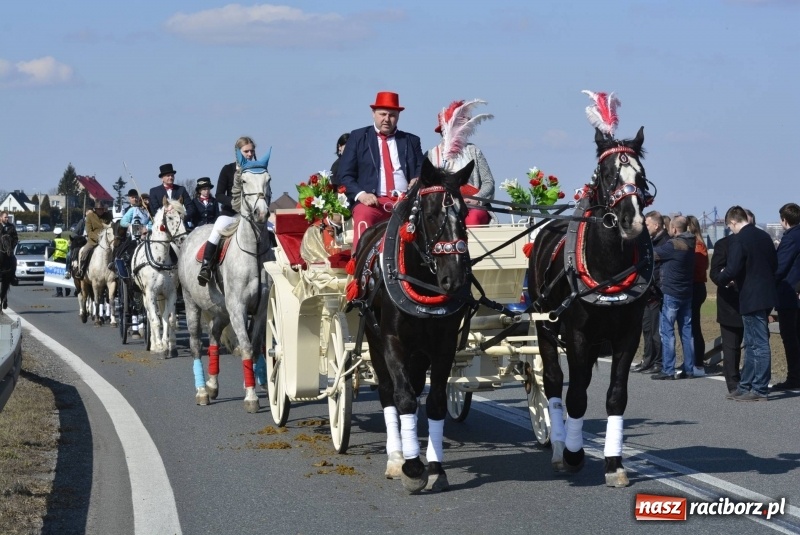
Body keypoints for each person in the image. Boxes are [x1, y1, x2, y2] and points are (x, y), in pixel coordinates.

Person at [336, 91, 423, 253]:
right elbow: (345, 174)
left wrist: (417, 178)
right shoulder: (358, 137)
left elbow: (421, 167)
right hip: (373, 202)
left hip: (406, 202)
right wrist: (361, 195)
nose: (386, 119)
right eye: (382, 114)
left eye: (392, 115)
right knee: (363, 214)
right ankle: (360, 268)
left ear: (398, 117)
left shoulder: (411, 141)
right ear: (373, 114)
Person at [717, 205, 778, 401]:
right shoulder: (764, 237)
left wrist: (722, 278)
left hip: (750, 295)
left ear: (733, 222)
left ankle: (759, 388)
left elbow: (733, 268)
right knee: (752, 343)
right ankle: (746, 385)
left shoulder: (739, 240)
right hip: (766, 293)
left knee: (757, 344)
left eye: (729, 226)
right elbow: (774, 264)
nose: (730, 230)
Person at [198, 136, 259, 286]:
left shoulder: (258, 170)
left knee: (270, 231)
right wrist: (234, 203)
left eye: (251, 151)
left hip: (252, 215)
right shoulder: (227, 169)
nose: (250, 154)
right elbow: (219, 194)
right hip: (231, 213)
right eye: (246, 151)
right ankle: (206, 267)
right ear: (238, 152)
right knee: (216, 231)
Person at [426, 99, 495, 226]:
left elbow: (488, 182)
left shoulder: (474, 151)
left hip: (473, 207)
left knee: (472, 219)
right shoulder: (431, 155)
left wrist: (477, 199)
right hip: (442, 206)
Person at [651, 216, 697, 380]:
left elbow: (652, 254)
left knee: (667, 332)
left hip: (671, 292)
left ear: (675, 229)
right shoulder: (692, 243)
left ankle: (668, 369)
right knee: (687, 331)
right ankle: (689, 368)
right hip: (687, 292)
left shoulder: (673, 245)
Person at [633, 211, 668, 374]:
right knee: (647, 328)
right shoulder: (651, 241)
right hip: (647, 291)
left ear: (656, 225)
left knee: (656, 331)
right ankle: (647, 359)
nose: (645, 227)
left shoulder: (665, 242)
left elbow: (659, 268)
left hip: (657, 292)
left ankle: (658, 361)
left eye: (647, 224)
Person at [710, 231, 744, 394]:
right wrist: (723, 279)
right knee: (731, 345)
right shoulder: (723, 244)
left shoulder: (756, 241)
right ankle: (733, 382)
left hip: (751, 299)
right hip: (729, 300)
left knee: (753, 344)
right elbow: (714, 272)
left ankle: (750, 379)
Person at [773, 202, 800, 390]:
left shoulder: (791, 238)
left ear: (784, 220)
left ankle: (794, 377)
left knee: (790, 337)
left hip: (789, 293)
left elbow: (780, 266)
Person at [686, 214, 709, 376]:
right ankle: (691, 360)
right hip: (692, 286)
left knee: (694, 326)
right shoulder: (696, 244)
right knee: (690, 326)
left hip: (695, 286)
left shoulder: (698, 246)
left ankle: (698, 362)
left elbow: (699, 269)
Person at [111, 189, 151, 265]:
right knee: (122, 251)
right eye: (145, 200)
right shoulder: (133, 209)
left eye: (148, 200)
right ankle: (116, 263)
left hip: (146, 236)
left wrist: (147, 230)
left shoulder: (149, 213)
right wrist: (132, 226)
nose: (147, 202)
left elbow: (150, 225)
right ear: (141, 201)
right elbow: (123, 222)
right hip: (132, 236)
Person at [77, 202, 112, 277]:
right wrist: (98, 238)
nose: (101, 211)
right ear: (95, 209)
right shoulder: (90, 216)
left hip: (107, 240)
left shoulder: (108, 215)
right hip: (93, 241)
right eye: (99, 209)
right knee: (84, 251)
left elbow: (110, 227)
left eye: (102, 209)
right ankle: (81, 270)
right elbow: (89, 231)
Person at [0, 211, 19, 287]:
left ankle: (13, 277)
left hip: (8, 249)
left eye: (7, 217)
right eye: (5, 217)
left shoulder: (11, 226)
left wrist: (12, 247)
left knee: (14, 260)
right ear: (1, 217)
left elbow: (15, 238)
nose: (7, 219)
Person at [51, 227, 70, 297]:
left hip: (57, 259)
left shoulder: (54, 241)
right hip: (65, 260)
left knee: (57, 277)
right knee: (65, 275)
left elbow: (52, 250)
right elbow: (68, 249)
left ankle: (59, 292)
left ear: (55, 234)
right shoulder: (65, 241)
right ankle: (67, 289)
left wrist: (47, 256)